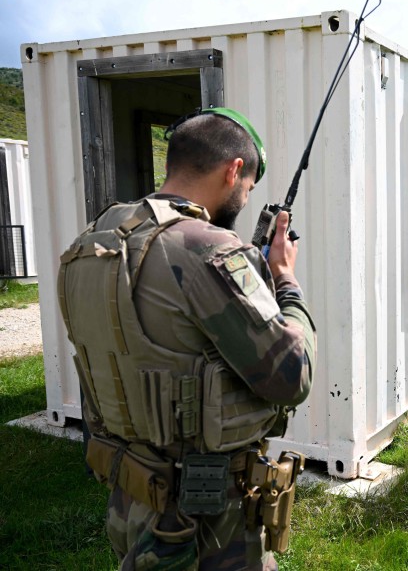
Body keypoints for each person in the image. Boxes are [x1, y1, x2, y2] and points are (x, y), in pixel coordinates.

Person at [57, 108, 316, 570]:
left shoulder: (96, 238)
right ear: (234, 169)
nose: (244, 196)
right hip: (204, 523)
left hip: (130, 499)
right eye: (249, 187)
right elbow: (291, 374)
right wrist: (283, 278)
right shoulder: (208, 248)